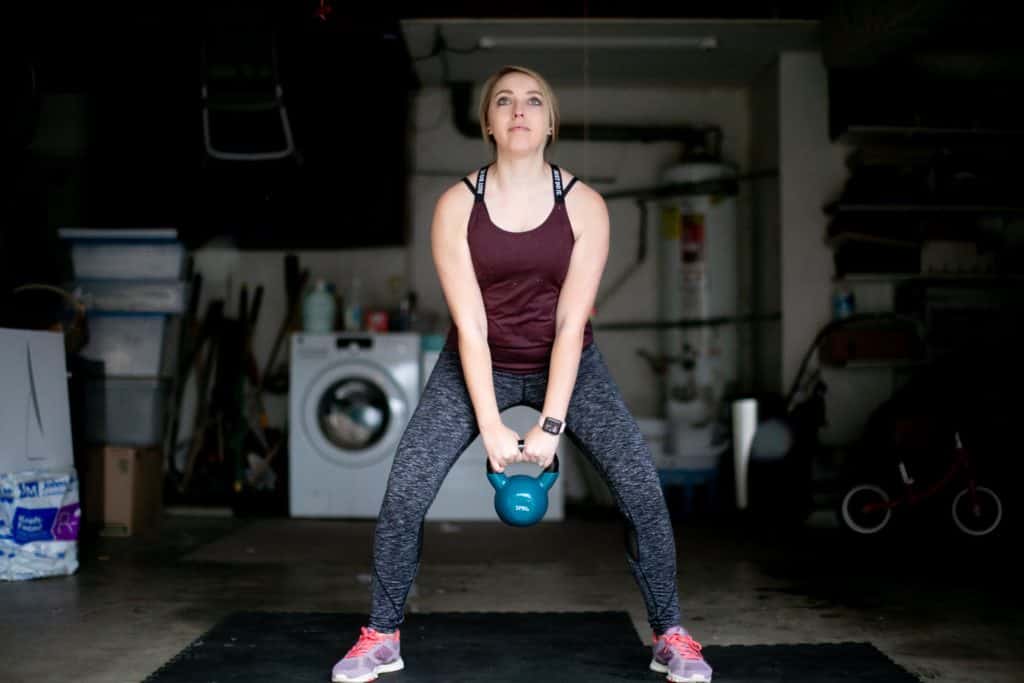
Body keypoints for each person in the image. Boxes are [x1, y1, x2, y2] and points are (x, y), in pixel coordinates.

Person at [331, 65, 713, 683]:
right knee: (405, 492)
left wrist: (551, 425)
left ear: (550, 121)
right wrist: (490, 426)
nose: (519, 110)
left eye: (534, 101)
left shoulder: (586, 206)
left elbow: (569, 325)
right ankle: (381, 634)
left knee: (642, 490)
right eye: (504, 100)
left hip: (570, 366)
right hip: (475, 364)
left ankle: (671, 634)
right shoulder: (457, 205)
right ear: (487, 121)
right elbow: (472, 327)